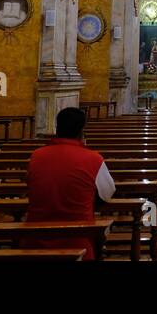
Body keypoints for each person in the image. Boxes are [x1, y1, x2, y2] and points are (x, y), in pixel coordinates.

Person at [26, 107, 115, 259]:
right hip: (79, 241)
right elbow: (108, 193)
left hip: (36, 241)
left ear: (57, 129)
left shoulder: (36, 156)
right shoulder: (93, 159)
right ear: (82, 131)